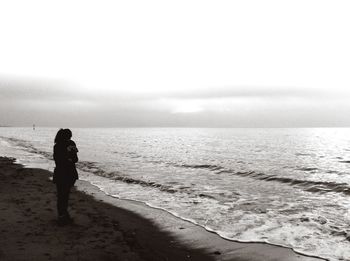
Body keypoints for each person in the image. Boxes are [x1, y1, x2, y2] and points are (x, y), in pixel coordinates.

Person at [53, 128, 79, 225]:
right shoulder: (71, 143)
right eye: (69, 136)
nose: (70, 138)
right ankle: (64, 215)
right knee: (65, 195)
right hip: (70, 173)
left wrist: (68, 159)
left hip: (60, 172)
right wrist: (69, 159)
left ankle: (62, 215)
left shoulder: (57, 146)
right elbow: (75, 159)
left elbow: (58, 160)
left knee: (61, 195)